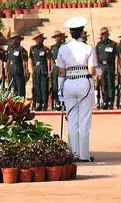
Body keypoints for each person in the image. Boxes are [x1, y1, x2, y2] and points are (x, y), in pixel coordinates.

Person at [55, 16, 100, 162]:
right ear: (82, 33)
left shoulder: (63, 48)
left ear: (70, 33)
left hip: (68, 83)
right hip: (84, 82)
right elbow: (92, 70)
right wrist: (99, 73)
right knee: (84, 120)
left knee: (72, 119)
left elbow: (61, 72)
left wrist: (59, 91)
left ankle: (73, 153)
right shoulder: (88, 48)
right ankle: (84, 155)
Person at [28, 33, 52, 112]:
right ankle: (38, 103)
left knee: (44, 87)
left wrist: (49, 71)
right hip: (36, 69)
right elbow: (31, 60)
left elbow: (48, 60)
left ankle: (44, 103)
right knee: (37, 87)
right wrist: (32, 70)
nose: (39, 40)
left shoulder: (45, 49)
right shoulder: (32, 48)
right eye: (37, 38)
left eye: (40, 38)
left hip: (43, 69)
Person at [96, 28, 117, 110]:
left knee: (110, 84)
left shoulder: (112, 44)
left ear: (108, 34)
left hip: (110, 65)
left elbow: (117, 57)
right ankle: (105, 101)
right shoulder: (98, 45)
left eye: (105, 33)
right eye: (102, 34)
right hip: (101, 66)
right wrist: (98, 72)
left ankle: (110, 101)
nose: (104, 35)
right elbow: (96, 59)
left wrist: (117, 68)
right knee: (103, 84)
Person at [50, 32, 68, 111]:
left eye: (59, 37)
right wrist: (51, 69)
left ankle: (64, 102)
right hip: (55, 66)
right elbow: (51, 59)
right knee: (55, 85)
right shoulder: (52, 47)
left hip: (63, 66)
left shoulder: (65, 47)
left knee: (64, 84)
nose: (57, 39)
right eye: (56, 37)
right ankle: (57, 102)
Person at [6, 34, 27, 98]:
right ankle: (13, 101)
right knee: (12, 87)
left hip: (18, 70)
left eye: (14, 39)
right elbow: (8, 61)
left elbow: (24, 61)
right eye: (12, 39)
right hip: (11, 70)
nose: (12, 40)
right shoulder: (9, 48)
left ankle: (20, 101)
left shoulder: (21, 49)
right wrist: (7, 71)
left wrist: (25, 71)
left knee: (20, 87)